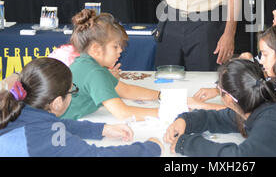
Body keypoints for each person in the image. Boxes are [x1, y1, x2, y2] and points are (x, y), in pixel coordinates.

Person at [164, 59, 276, 157]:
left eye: (219, 88)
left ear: (229, 99)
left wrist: (187, 144)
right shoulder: (269, 104)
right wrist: (186, 120)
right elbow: (222, 118)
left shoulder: (268, 126)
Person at [0, 58, 162, 157]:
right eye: (72, 90)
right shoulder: (43, 137)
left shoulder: (18, 108)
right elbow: (97, 155)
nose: (72, 94)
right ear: (57, 102)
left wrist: (101, 129)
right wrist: (150, 148)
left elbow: (56, 126)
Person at [60, 9, 160, 121]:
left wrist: (161, 96)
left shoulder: (86, 64)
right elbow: (123, 113)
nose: (121, 50)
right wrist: (165, 112)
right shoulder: (94, 73)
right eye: (115, 46)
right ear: (96, 49)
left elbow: (126, 90)